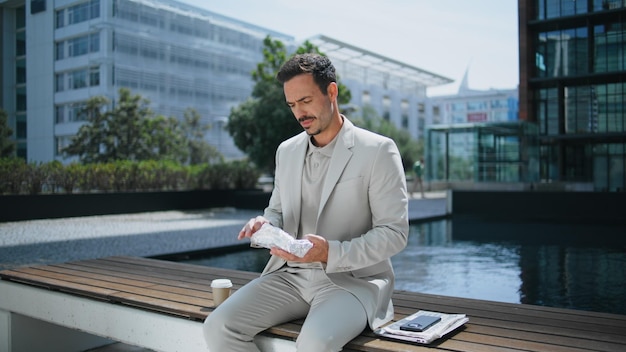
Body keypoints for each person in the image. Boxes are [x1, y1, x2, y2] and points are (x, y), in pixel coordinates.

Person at [203, 53, 409, 352]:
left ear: (332, 92)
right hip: (288, 276)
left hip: (350, 282)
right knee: (218, 327)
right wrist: (265, 225)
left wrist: (330, 252)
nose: (299, 113)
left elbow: (394, 233)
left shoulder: (378, 150)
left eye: (306, 100)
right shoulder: (286, 151)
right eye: (292, 105)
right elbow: (276, 210)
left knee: (313, 344)